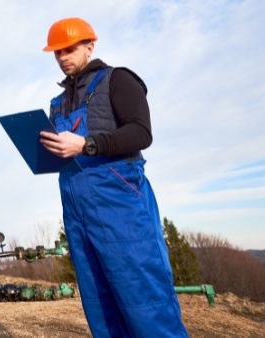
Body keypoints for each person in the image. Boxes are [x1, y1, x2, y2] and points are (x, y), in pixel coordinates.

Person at [38, 17, 188, 337]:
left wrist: (87, 144)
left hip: (120, 202)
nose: (63, 57)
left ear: (90, 46)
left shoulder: (117, 80)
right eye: (57, 53)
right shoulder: (58, 103)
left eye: (70, 49)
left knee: (144, 296)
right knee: (99, 300)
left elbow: (141, 132)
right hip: (77, 207)